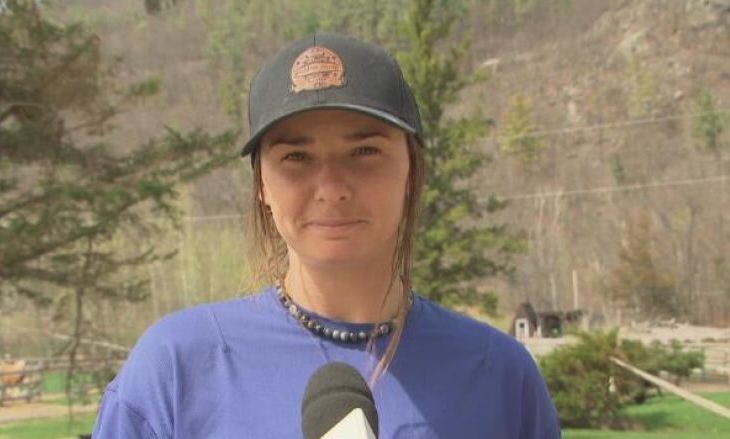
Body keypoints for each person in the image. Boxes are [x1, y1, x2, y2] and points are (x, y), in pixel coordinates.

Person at [92, 33, 561, 439]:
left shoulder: (498, 375)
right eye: (296, 158)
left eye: (364, 151)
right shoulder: (176, 369)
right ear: (261, 185)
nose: (332, 188)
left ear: (412, 169)